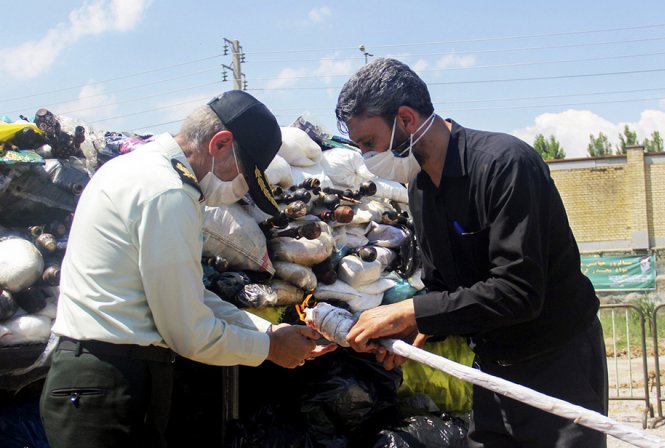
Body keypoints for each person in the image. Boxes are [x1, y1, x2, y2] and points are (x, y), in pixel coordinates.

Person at [336, 58, 608, 447]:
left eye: (368, 143)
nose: (366, 157)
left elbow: (518, 293)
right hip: (492, 373)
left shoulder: (505, 165)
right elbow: (444, 287)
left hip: (557, 366)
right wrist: (419, 328)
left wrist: (409, 312)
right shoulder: (421, 191)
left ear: (406, 120)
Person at [39, 90, 335, 448]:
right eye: (244, 177)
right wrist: (270, 348)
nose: (238, 191)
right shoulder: (166, 192)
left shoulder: (143, 172)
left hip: (111, 377)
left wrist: (270, 331)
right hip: (108, 379)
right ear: (221, 144)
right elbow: (189, 334)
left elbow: (191, 295)